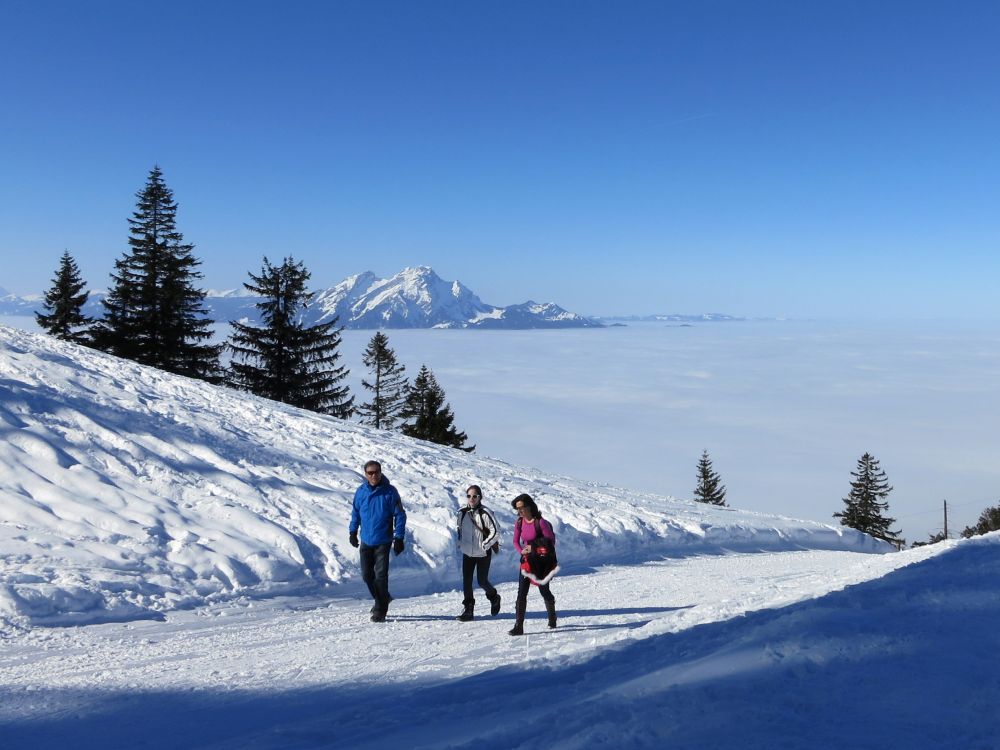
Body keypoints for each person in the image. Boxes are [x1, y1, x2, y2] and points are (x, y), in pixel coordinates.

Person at [349, 460, 407, 622]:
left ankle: (380, 610)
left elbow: (400, 515)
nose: (374, 475)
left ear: (381, 472)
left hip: (384, 540)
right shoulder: (360, 492)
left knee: (380, 576)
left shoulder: (390, 492)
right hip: (366, 540)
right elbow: (356, 513)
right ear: (366, 474)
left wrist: (399, 537)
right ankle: (383, 597)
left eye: (376, 472)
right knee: (367, 576)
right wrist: (353, 531)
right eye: (370, 473)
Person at [508, 493, 559, 636]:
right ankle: (518, 626)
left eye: (522, 508)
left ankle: (552, 615)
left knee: (544, 590)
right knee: (521, 592)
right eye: (517, 509)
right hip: (526, 562)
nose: (520, 511)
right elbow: (515, 541)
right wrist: (522, 552)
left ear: (529, 506)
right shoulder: (519, 522)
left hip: (541, 563)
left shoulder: (540, 522)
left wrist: (533, 548)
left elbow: (550, 542)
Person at [455, 484, 502, 621]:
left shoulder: (485, 513)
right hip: (467, 553)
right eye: (469, 496)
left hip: (483, 553)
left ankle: (494, 597)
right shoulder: (462, 512)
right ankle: (469, 610)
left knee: (482, 581)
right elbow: (459, 529)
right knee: (467, 581)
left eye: (475, 496)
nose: (472, 498)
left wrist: (485, 544)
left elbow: (496, 531)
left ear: (480, 497)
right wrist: (461, 543)